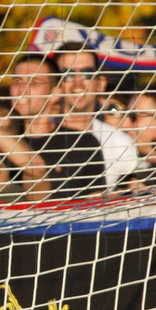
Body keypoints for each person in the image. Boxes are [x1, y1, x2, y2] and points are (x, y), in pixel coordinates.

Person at [30, 45, 139, 197]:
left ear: (100, 84)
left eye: (87, 73)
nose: (78, 82)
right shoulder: (35, 134)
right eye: (67, 74)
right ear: (56, 85)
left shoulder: (120, 143)